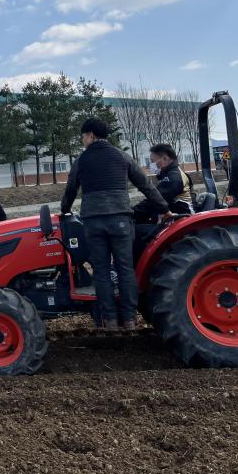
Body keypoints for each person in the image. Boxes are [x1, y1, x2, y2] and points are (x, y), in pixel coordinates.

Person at [60, 118, 169, 332]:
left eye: (83, 136)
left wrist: (65, 210)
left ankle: (110, 321)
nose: (83, 141)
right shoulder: (122, 156)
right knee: (125, 268)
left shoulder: (81, 160)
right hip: (120, 219)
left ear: (90, 135)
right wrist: (164, 208)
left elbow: (71, 189)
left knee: (100, 270)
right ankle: (129, 320)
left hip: (93, 221)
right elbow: (145, 185)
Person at [134, 143, 194, 222]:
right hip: (172, 216)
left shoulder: (174, 178)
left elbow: (156, 201)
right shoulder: (168, 175)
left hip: (180, 219)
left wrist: (132, 212)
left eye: (152, 161)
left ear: (165, 159)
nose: (150, 165)